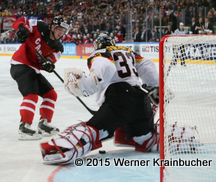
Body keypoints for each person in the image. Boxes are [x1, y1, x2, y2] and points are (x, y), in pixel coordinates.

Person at [40, 33, 160, 164]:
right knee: (146, 139)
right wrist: (154, 86)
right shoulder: (128, 51)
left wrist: (90, 83)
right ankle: (178, 139)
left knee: (95, 130)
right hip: (141, 101)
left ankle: (64, 148)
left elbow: (105, 66)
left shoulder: (99, 54)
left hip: (119, 99)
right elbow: (147, 65)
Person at [10, 16, 69, 140]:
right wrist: (22, 29)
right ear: (52, 26)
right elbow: (19, 22)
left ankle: (44, 123)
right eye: (59, 29)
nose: (61, 33)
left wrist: (48, 64)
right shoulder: (40, 26)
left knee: (51, 94)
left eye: (63, 31)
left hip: (33, 70)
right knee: (31, 94)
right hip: (20, 64)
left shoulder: (58, 47)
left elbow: (51, 61)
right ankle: (24, 126)